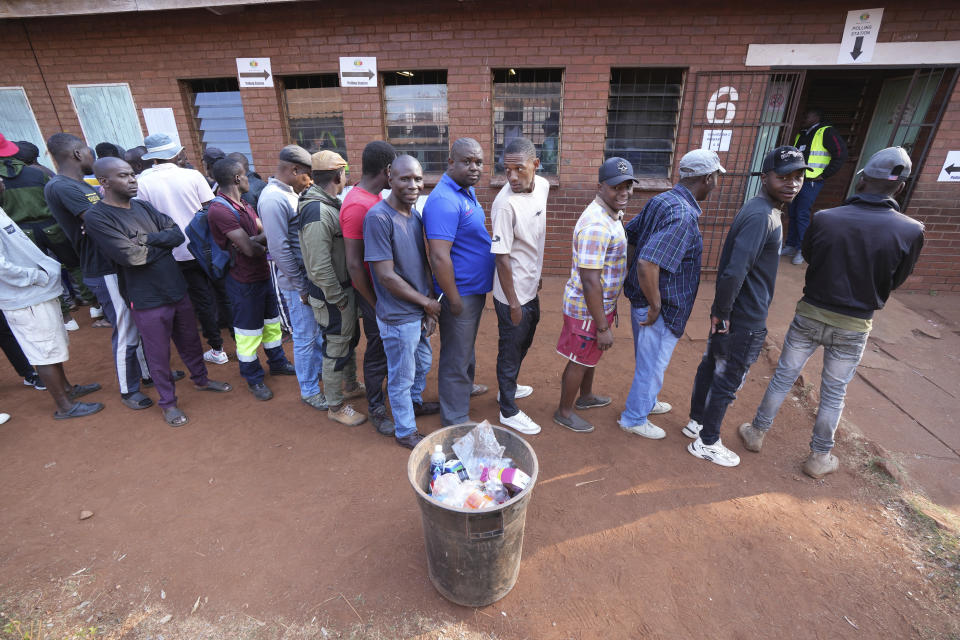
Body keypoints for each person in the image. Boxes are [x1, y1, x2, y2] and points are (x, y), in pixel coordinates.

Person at [738, 147, 924, 479]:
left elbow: (810, 255)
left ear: (863, 180)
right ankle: (819, 457)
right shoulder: (911, 230)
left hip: (811, 313)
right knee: (835, 392)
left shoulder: (826, 218)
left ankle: (756, 432)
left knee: (783, 376)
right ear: (900, 187)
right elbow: (896, 279)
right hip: (854, 323)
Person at [84, 157, 232, 426]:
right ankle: (168, 403)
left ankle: (201, 380)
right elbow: (132, 258)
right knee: (158, 352)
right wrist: (156, 244)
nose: (132, 180)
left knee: (190, 340)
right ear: (104, 182)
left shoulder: (142, 205)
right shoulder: (97, 217)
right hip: (146, 297)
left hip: (175, 287)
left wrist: (144, 239)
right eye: (123, 175)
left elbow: (177, 234)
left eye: (132, 174)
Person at [684, 146, 808, 467]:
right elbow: (734, 271)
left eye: (799, 176)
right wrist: (723, 314)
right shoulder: (762, 215)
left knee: (711, 367)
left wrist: (720, 312)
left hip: (732, 314)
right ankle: (707, 441)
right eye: (783, 177)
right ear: (765, 177)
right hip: (744, 318)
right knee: (727, 379)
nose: (792, 183)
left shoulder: (760, 208)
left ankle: (697, 421)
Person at [619, 149, 724, 439]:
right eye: (716, 176)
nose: (717, 182)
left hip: (646, 299)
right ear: (706, 179)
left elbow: (632, 234)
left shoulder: (663, 199)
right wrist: (654, 304)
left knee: (648, 361)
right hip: (660, 306)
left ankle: (647, 402)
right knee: (652, 365)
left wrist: (635, 284)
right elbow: (648, 261)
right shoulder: (682, 214)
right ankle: (634, 417)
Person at [45, 133, 152, 410]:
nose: (92, 156)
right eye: (88, 151)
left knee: (134, 322)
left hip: (115, 263)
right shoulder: (62, 187)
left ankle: (146, 373)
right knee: (125, 328)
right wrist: (110, 219)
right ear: (78, 154)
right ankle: (129, 391)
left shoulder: (81, 185)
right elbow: (104, 221)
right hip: (102, 267)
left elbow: (108, 218)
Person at [0, 200, 103, 419]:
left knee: (52, 346)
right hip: (25, 298)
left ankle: (67, 390)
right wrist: (37, 276)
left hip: (36, 293)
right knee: (44, 352)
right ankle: (64, 406)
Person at [364, 155, 441, 449]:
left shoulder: (414, 215)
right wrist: (426, 303)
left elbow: (421, 265)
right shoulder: (378, 217)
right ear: (390, 177)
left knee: (422, 362)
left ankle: (414, 404)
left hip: (418, 310)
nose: (413, 185)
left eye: (418, 179)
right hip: (398, 316)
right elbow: (385, 276)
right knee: (401, 375)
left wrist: (428, 304)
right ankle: (405, 431)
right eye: (405, 179)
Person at [552, 157, 634, 433]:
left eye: (628, 186)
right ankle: (564, 411)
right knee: (579, 357)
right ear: (600, 186)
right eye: (616, 187)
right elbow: (589, 280)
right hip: (588, 308)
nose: (623, 192)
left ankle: (585, 397)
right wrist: (601, 326)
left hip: (599, 305)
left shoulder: (611, 212)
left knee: (589, 354)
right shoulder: (596, 225)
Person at [136, 133, 230, 365]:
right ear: (176, 153)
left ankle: (214, 347)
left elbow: (142, 217)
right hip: (205, 248)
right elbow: (211, 209)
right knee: (220, 292)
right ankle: (235, 342)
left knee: (192, 301)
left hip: (171, 253)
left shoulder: (142, 181)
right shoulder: (192, 175)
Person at [208, 157, 295, 400]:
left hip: (261, 275)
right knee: (248, 333)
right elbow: (250, 248)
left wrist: (255, 241)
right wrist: (258, 242)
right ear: (237, 178)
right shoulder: (219, 209)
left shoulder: (243, 204)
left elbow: (263, 234)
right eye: (246, 174)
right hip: (242, 280)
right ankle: (253, 377)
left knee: (271, 323)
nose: (249, 178)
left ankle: (277, 362)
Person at [423, 137, 495, 427]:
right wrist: (452, 298)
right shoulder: (443, 200)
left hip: (471, 290)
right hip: (459, 292)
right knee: (456, 353)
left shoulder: (466, 191)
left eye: (478, 161)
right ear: (450, 162)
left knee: (465, 347)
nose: (475, 167)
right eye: (467, 161)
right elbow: (439, 256)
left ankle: (463, 389)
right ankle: (455, 417)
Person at [342, 141, 411, 436]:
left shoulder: (371, 198)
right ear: (387, 171)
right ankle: (377, 408)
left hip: (386, 293)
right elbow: (355, 264)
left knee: (389, 350)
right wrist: (373, 303)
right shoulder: (359, 205)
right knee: (378, 351)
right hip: (376, 294)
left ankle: (401, 400)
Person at [0, 133, 98, 327]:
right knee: (74, 265)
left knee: (45, 271)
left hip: (22, 233)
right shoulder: (38, 174)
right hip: (52, 226)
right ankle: (94, 304)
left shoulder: (2, 182)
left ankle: (66, 316)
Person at [258, 145, 328, 411]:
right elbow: (278, 249)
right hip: (296, 282)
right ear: (294, 170)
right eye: (306, 176)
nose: (309, 181)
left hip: (307, 278)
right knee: (305, 335)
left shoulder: (289, 194)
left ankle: (320, 373)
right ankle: (309, 390)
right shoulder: (274, 198)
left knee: (315, 332)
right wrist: (300, 286)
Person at [299, 150, 367, 426]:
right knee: (336, 346)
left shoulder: (327, 203)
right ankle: (336, 405)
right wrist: (337, 298)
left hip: (339, 290)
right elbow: (318, 265)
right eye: (345, 173)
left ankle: (349, 385)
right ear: (338, 175)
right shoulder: (317, 210)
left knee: (348, 340)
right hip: (332, 294)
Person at [491, 137, 549, 435]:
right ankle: (508, 409)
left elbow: (533, 237)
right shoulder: (504, 205)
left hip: (530, 286)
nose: (512, 176)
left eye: (519, 169)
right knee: (510, 349)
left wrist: (536, 273)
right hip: (510, 294)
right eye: (506, 170)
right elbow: (501, 258)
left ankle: (507, 387)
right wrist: (513, 302)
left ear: (535, 166)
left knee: (525, 341)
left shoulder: (543, 187)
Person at [783, 107, 848, 265]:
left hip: (811, 181)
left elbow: (841, 154)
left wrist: (824, 175)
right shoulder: (803, 134)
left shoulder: (826, 132)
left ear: (816, 116)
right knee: (792, 212)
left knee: (802, 214)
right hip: (797, 179)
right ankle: (791, 245)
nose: (804, 117)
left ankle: (802, 249)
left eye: (807, 114)